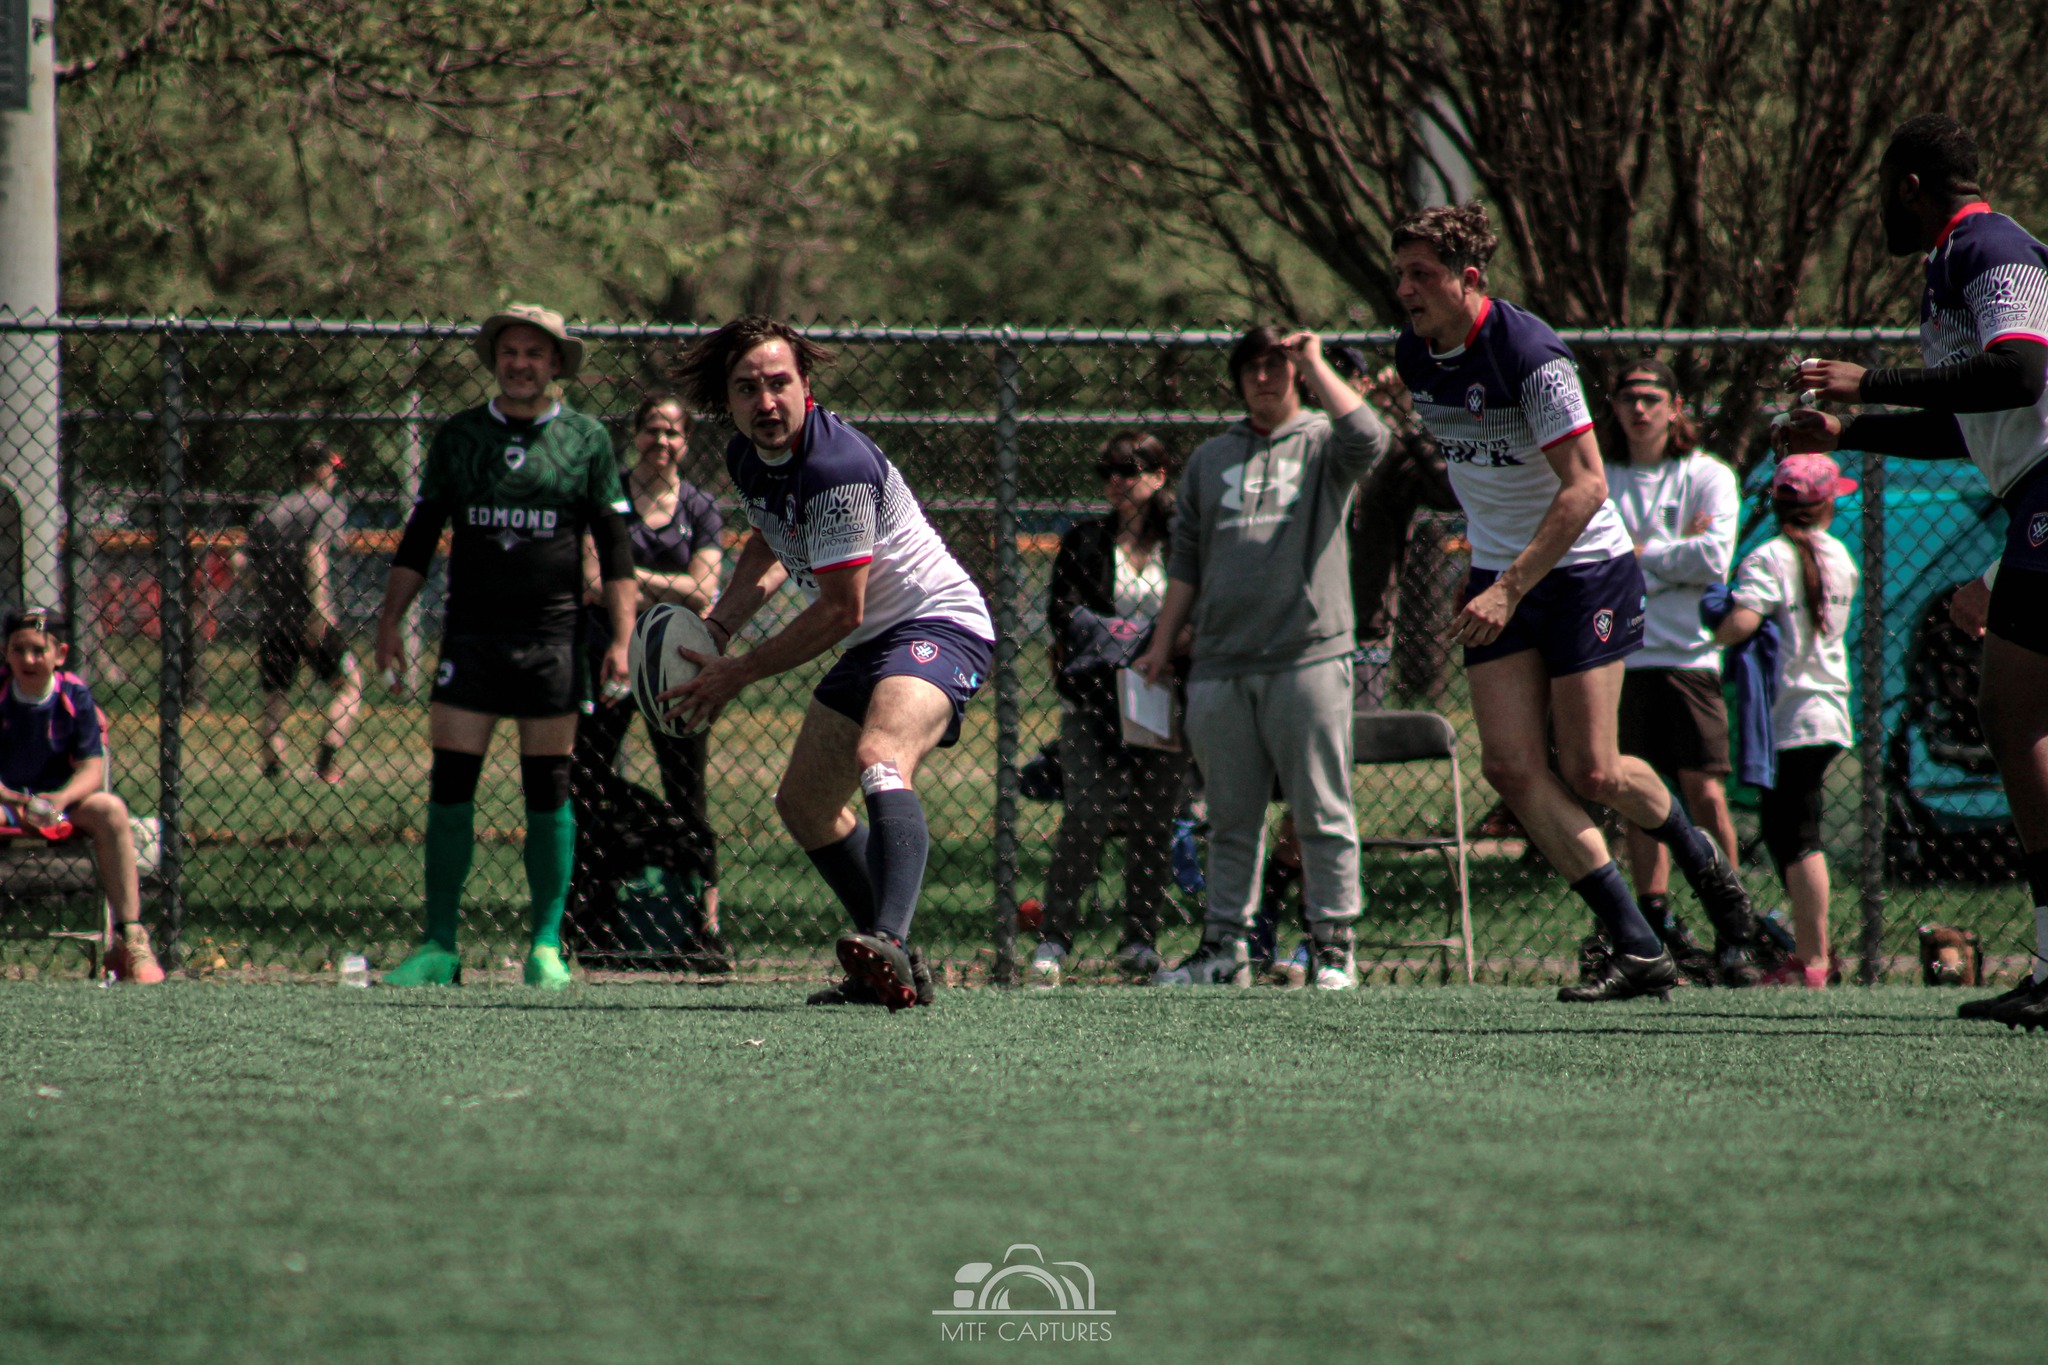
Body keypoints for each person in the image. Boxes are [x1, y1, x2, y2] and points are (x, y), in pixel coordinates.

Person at [1386, 202, 1769, 1004]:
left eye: (1422, 273)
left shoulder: (1530, 353)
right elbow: (1479, 470)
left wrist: (1509, 583)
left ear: (1470, 279)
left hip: (1583, 569)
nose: (1405, 288)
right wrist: (1492, 568)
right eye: (1400, 273)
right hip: (1503, 575)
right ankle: (1637, 943)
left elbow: (1588, 485)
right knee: (1511, 767)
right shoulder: (1415, 357)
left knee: (1591, 768)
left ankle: (1711, 876)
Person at [1781, 115, 2048, 1026]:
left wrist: (1872, 382)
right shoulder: (1950, 263)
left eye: (1877, 192)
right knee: (2013, 715)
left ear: (1908, 184)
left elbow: (2016, 375)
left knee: (2014, 711)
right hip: (2031, 500)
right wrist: (1849, 431)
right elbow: (1966, 420)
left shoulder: (1991, 245)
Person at [662, 316, 994, 1012]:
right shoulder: (746, 455)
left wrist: (737, 671)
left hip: (939, 623)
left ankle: (889, 939)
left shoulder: (836, 467)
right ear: (729, 400)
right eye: (748, 388)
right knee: (805, 804)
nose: (767, 401)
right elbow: (769, 540)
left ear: (806, 386)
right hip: (873, 640)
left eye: (780, 383)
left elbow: (842, 609)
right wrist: (721, 623)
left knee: (881, 753)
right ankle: (893, 966)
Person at [372, 304, 637, 989]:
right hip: (471, 638)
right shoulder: (460, 436)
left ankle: (546, 946)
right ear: (497, 360)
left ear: (555, 364)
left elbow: (615, 551)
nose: (522, 363)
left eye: (535, 353)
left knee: (547, 790)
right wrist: (390, 620)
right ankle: (438, 944)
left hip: (553, 640)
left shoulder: (585, 440)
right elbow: (422, 534)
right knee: (450, 782)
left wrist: (624, 640)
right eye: (511, 352)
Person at [1131, 327, 1393, 991]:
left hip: (1307, 655)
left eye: (1276, 366)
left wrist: (1314, 358)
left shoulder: (1323, 441)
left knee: (1321, 810)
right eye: (1251, 367)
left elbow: (1372, 439)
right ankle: (1224, 949)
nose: (1263, 377)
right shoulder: (1211, 458)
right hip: (1220, 663)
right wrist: (1163, 643)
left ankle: (1333, 947)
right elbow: (1186, 557)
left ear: (1297, 373)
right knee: (1229, 817)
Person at [1591, 359, 1743, 984]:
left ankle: (1734, 927)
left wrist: (1639, 555)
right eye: (1628, 397)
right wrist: (1657, 561)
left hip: (1687, 657)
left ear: (1676, 407)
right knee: (1636, 795)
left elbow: (1713, 557)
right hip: (1620, 657)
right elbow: (1594, 558)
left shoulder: (1706, 475)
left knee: (1704, 792)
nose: (1640, 409)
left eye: (1653, 398)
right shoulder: (1599, 475)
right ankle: (1652, 923)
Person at [1027, 431, 1190, 988]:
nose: (1116, 481)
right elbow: (1062, 612)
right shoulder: (1085, 540)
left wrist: (1160, 647)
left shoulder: (1183, 541)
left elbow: (1199, 607)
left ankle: (1140, 939)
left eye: (1129, 469)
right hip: (1097, 697)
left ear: (1160, 474)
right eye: (1107, 471)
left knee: (1153, 819)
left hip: (1164, 697)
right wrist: (1140, 640)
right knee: (1087, 812)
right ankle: (1055, 937)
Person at [573, 394, 728, 961]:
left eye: (673, 434)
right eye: (652, 431)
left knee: (687, 792)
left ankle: (703, 925)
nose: (661, 442)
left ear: (686, 442)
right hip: (606, 656)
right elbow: (591, 583)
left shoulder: (701, 508)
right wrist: (665, 582)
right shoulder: (608, 497)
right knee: (586, 783)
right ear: (635, 434)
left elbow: (704, 589)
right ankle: (589, 916)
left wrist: (628, 576)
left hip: (675, 667)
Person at [1710, 456, 1860, 988]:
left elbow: (1739, 626)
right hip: (1828, 708)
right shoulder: (1839, 555)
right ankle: (1813, 951)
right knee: (1793, 828)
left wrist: (1711, 618)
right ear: (1827, 504)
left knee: (1795, 834)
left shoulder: (1769, 558)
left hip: (1792, 714)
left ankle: (1813, 957)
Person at [0, 608, 163, 983]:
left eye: (39, 650)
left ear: (60, 654)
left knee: (110, 809)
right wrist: (13, 799)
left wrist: (58, 799)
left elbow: (92, 769)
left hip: (61, 806)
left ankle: (129, 937)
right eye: (18, 649)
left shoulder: (75, 696)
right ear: (6, 652)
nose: (28, 659)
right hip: (8, 805)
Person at [243, 438, 362, 783]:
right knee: (350, 685)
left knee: (275, 697)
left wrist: (268, 595)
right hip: (311, 612)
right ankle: (327, 761)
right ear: (320, 469)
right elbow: (316, 552)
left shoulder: (270, 509)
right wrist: (320, 607)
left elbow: (243, 563)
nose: (335, 478)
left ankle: (273, 768)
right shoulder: (327, 505)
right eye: (333, 469)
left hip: (275, 615)